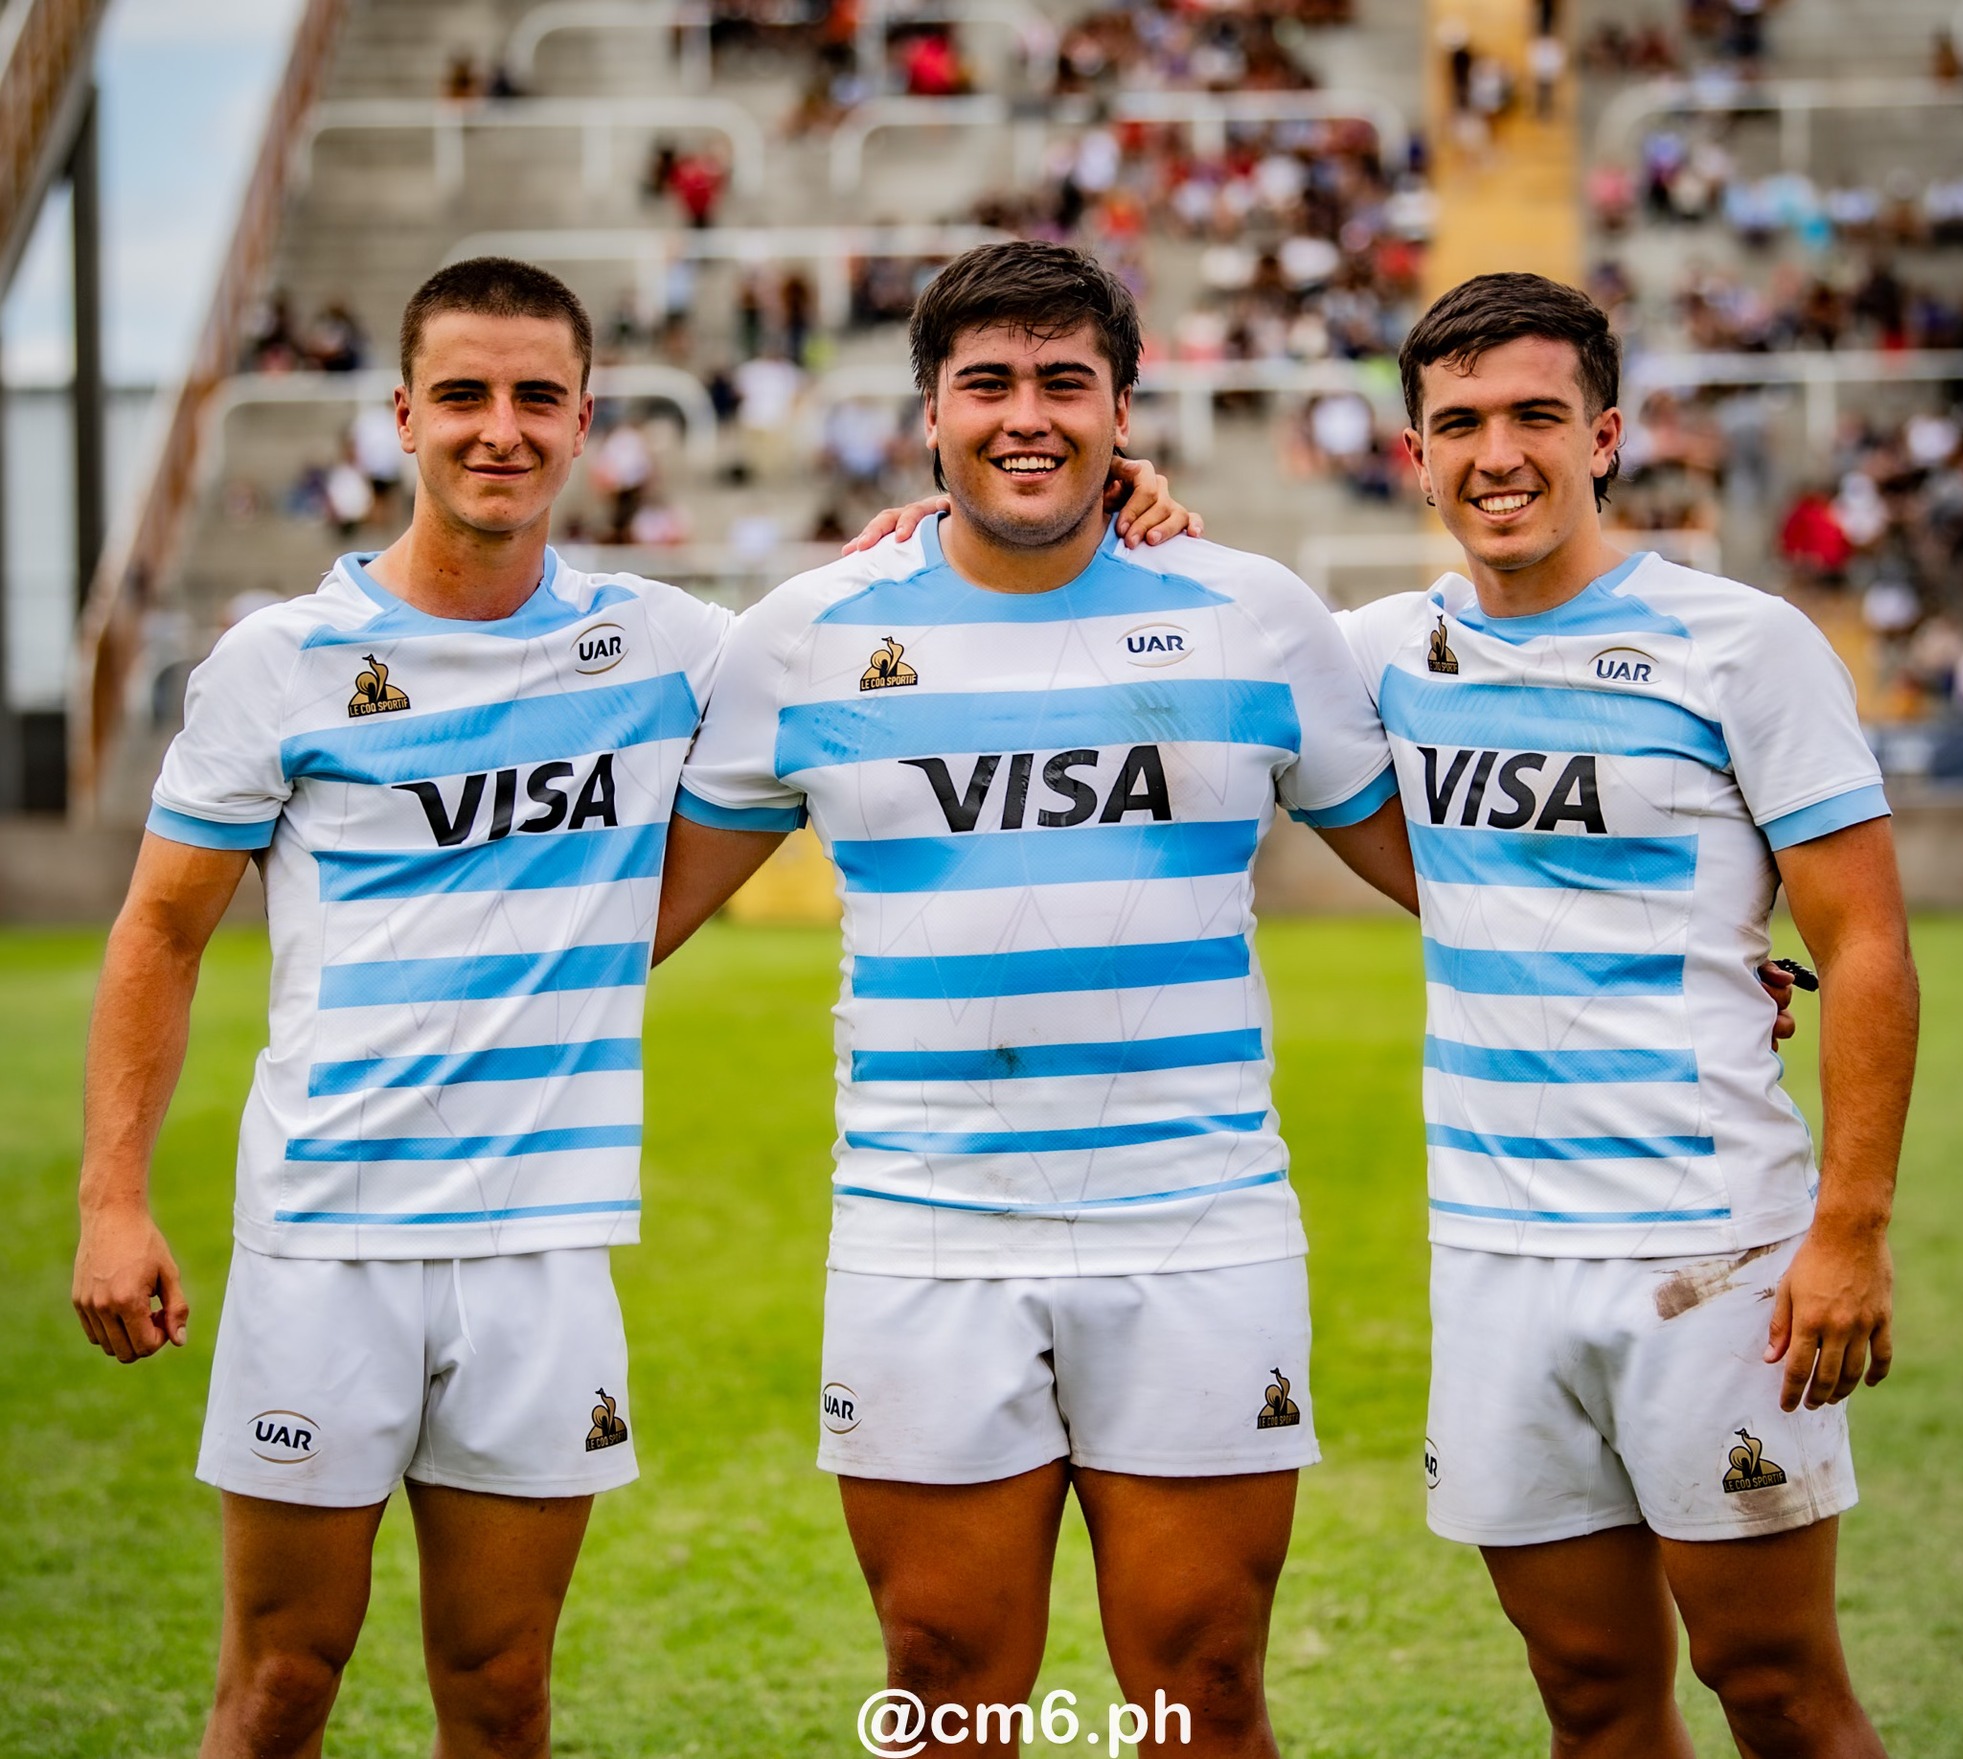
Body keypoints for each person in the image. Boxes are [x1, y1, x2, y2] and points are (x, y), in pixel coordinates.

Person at [70, 252, 1195, 1758]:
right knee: (278, 1686)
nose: (499, 428)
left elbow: (883, 611)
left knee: (504, 1692)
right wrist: (111, 1203)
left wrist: (1097, 493)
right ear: (400, 416)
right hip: (324, 1237)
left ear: (586, 419)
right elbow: (157, 932)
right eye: (462, 394)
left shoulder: (676, 648)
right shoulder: (278, 666)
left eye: (537, 397)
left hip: (548, 1248)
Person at [657, 239, 1415, 1758]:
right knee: (943, 1692)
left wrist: (1721, 953)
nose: (1027, 416)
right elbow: (630, 919)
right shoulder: (803, 636)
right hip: (922, 1228)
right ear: (924, 415)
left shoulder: (1255, 614)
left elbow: (1448, 876)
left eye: (1066, 381)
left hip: (1198, 1222)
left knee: (1203, 1699)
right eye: (985, 383)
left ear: (1124, 407)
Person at [1339, 272, 1917, 1757]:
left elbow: (1862, 946)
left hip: (1712, 1250)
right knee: (1588, 1696)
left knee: (1778, 1689)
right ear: (1415, 456)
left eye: (1536, 415)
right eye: (1458, 422)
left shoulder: (1744, 642)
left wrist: (1848, 1226)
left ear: (1605, 435)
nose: (1498, 454)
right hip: (1492, 1254)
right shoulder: (1382, 652)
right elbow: (1174, 624)